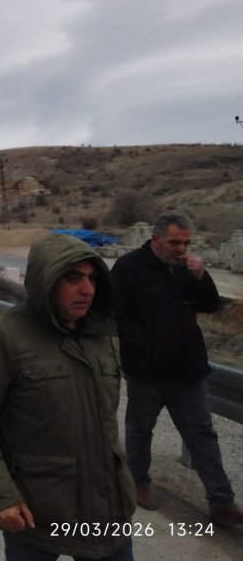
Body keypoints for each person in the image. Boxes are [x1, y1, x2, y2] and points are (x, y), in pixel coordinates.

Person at [0, 234, 136, 560]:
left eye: (93, 278)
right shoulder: (5, 335)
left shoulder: (103, 334)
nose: (88, 290)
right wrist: (0, 494)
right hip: (37, 514)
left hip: (108, 512)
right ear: (45, 281)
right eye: (73, 278)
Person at [111, 213, 243, 526]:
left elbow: (210, 305)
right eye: (174, 242)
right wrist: (143, 351)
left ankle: (222, 503)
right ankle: (139, 483)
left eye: (185, 243)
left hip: (189, 371)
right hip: (147, 373)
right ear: (155, 239)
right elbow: (119, 316)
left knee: (202, 436)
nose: (181, 249)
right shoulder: (129, 268)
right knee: (140, 430)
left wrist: (202, 276)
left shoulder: (187, 269)